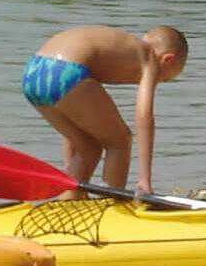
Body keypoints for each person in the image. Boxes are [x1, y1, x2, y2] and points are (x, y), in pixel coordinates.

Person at [22, 25, 188, 196]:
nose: (158, 81)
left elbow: (75, 119)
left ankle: (69, 201)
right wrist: (144, 179)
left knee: (87, 147)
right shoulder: (149, 57)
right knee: (120, 140)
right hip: (66, 71)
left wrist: (72, 168)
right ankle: (112, 204)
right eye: (164, 79)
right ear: (168, 59)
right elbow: (144, 117)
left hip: (33, 71)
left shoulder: (121, 48)